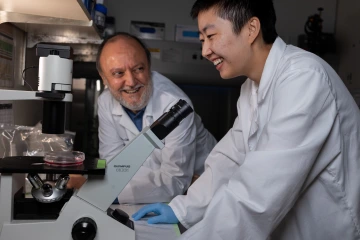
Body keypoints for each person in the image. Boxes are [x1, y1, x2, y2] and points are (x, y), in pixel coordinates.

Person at [132, 0, 360, 239]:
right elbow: (228, 161)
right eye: (202, 40)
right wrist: (181, 209)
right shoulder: (251, 89)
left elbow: (258, 193)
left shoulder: (304, 78)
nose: (205, 51)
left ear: (251, 29)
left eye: (210, 36)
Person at [91, 32, 217, 204]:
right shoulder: (105, 102)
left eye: (138, 69)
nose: (131, 81)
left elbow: (174, 181)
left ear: (149, 67)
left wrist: (106, 191)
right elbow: (113, 166)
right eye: (119, 73)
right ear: (104, 77)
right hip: (166, 195)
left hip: (205, 193)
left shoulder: (175, 105)